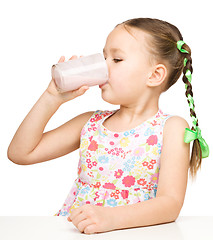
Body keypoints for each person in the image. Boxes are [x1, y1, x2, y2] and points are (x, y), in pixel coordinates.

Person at [7, 17, 209, 234]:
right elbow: (21, 153)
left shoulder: (172, 128)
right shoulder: (90, 123)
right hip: (78, 232)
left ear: (155, 75)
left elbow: (170, 204)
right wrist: (51, 97)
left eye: (117, 59)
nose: (103, 67)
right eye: (104, 57)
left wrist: (111, 218)